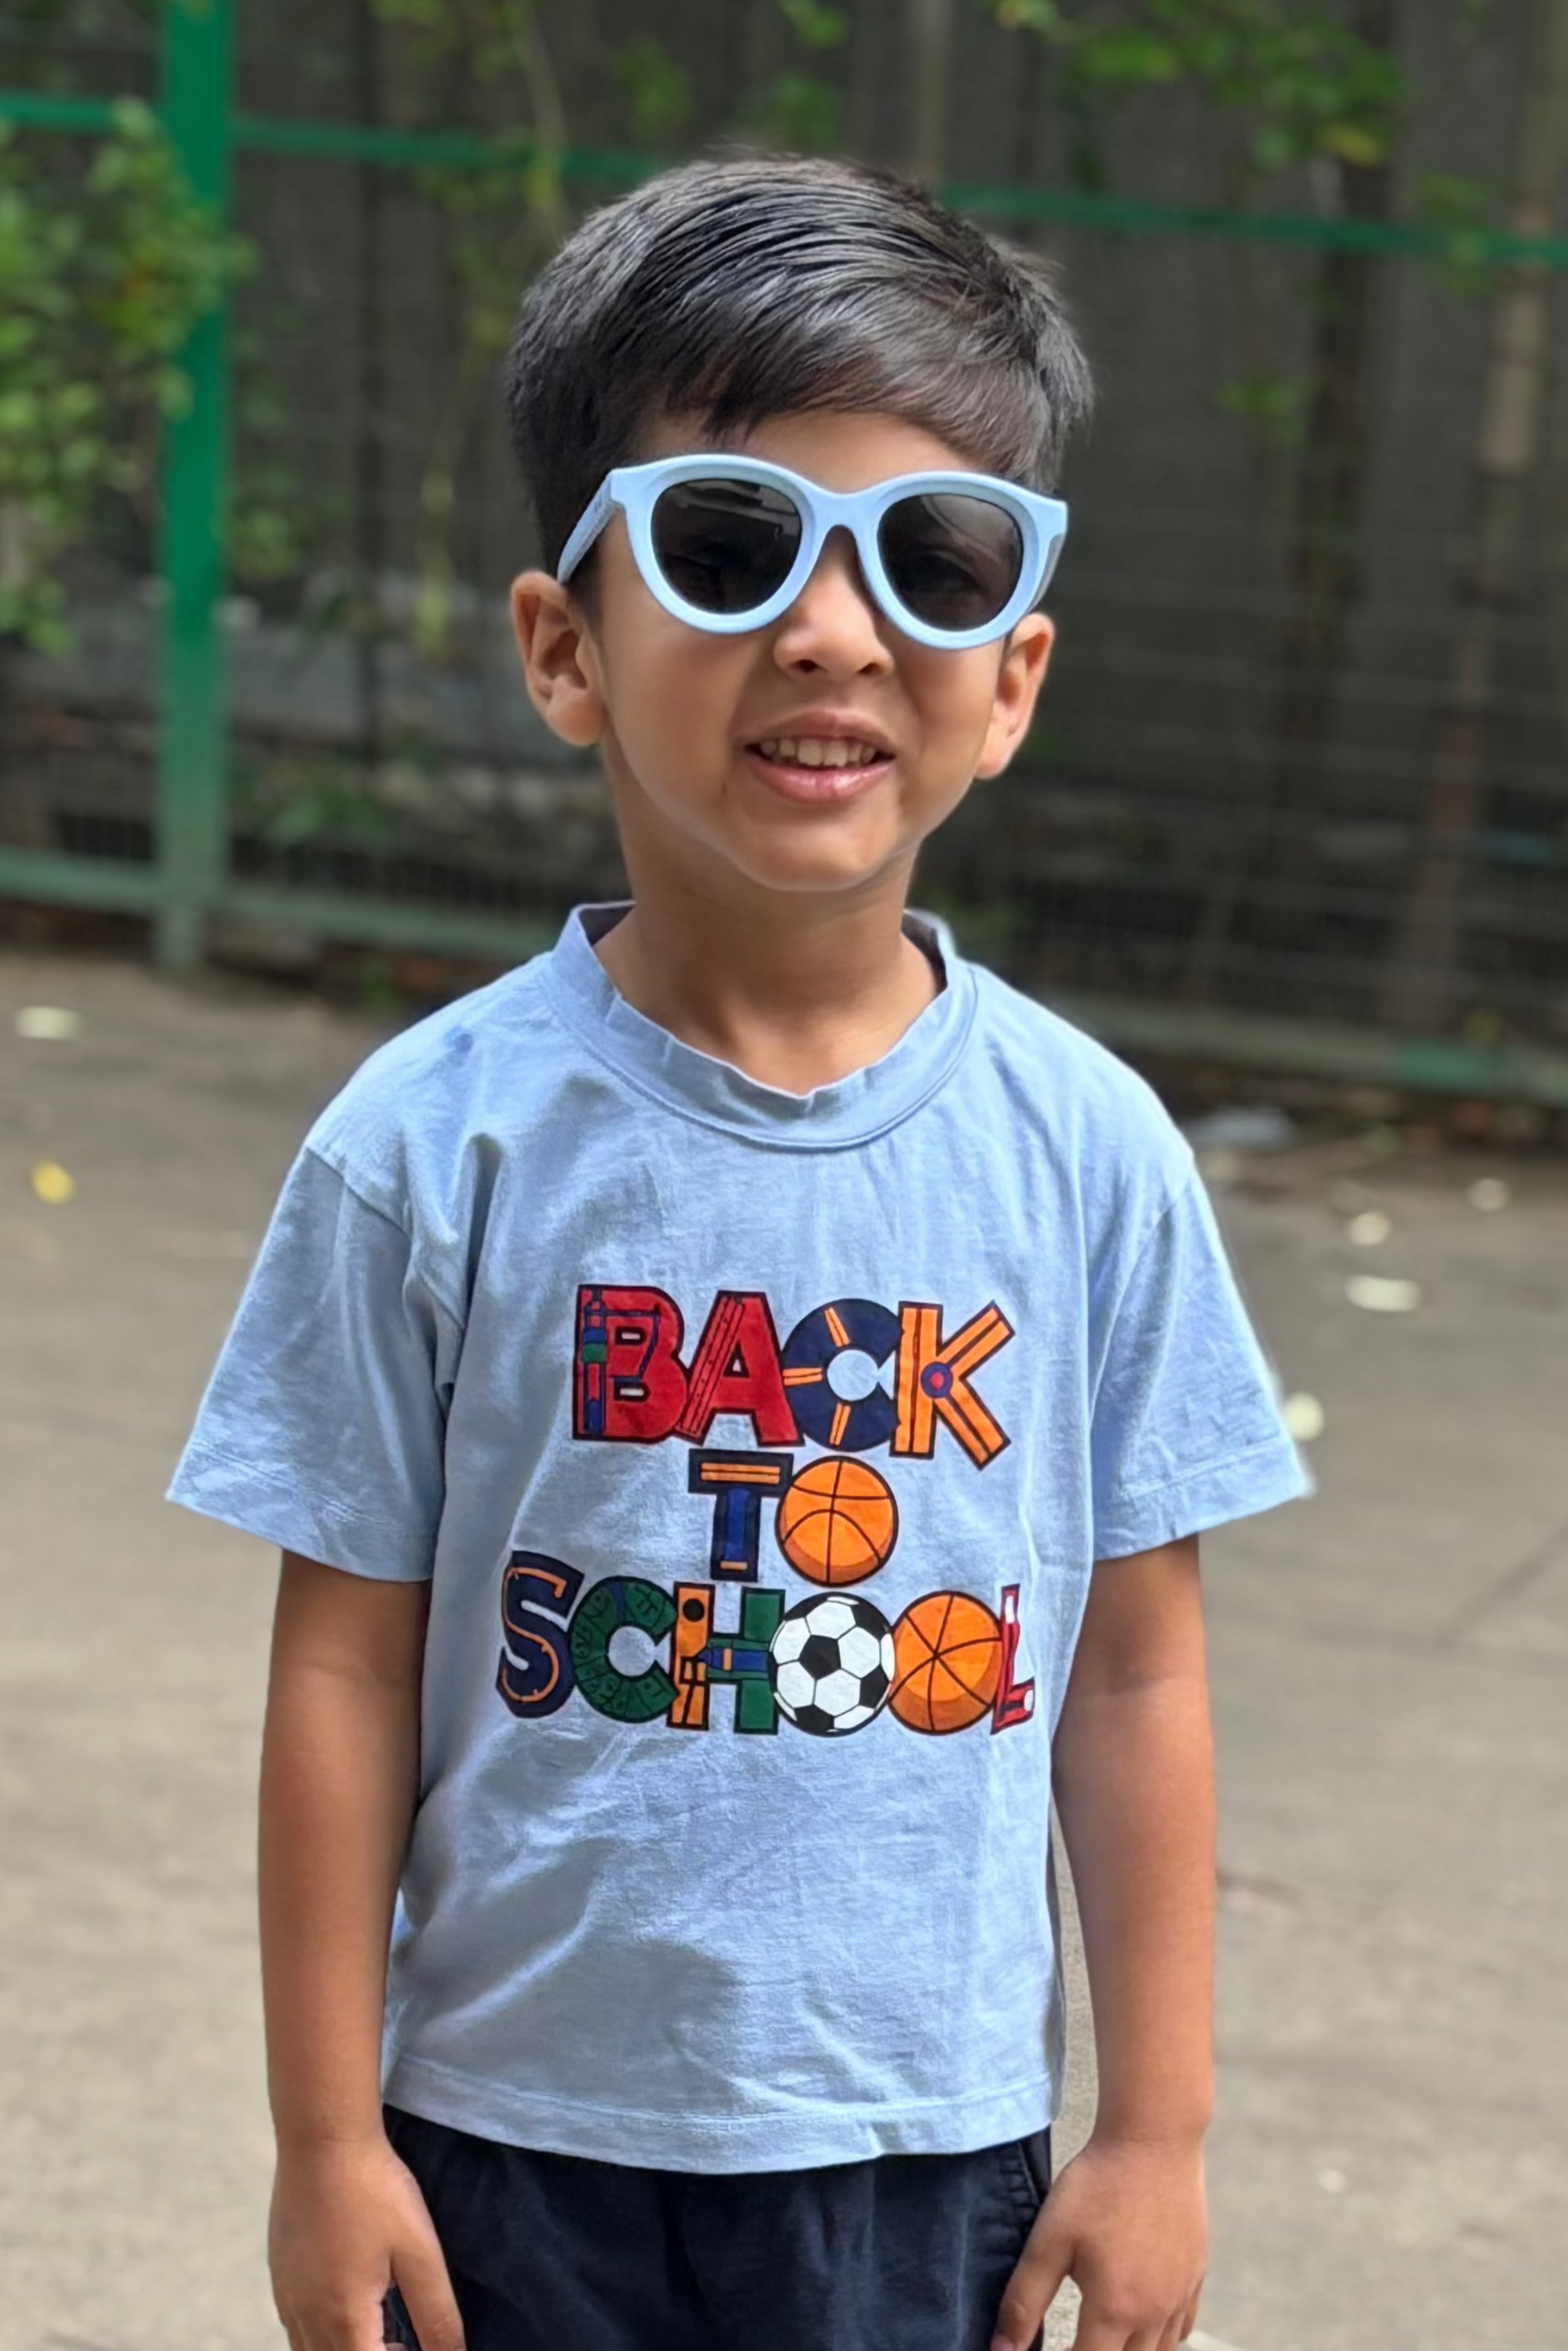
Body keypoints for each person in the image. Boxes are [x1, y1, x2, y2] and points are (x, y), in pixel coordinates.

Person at [169, 152, 1309, 2351]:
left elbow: (1135, 1670)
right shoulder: (432, 1144)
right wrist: (329, 2144)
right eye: (727, 540)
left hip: (918, 2157)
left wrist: (1153, 2133)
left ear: (1013, 676)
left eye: (931, 560)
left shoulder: (1081, 1154)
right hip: (505, 2138)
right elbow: (335, 1672)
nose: (829, 625)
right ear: (561, 648)